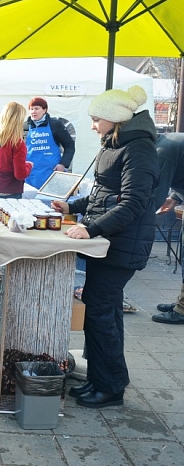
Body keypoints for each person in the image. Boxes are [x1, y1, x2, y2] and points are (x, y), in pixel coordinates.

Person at [51, 85, 158, 408]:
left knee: (99, 313)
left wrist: (91, 227)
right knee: (105, 312)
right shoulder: (118, 144)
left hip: (120, 244)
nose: (93, 125)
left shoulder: (138, 149)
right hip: (108, 242)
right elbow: (103, 194)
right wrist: (72, 208)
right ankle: (103, 379)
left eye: (97, 119)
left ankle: (111, 387)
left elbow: (134, 203)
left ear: (115, 119)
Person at [150, 133, 184, 324]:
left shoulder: (162, 150)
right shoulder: (166, 142)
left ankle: (183, 309)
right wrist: (175, 198)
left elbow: (156, 194)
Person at [24, 96, 76, 189]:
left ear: (45, 110)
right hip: (31, 172)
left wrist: (63, 164)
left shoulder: (55, 124)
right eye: (31, 109)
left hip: (51, 170)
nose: (33, 112)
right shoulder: (26, 126)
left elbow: (69, 145)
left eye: (36, 108)